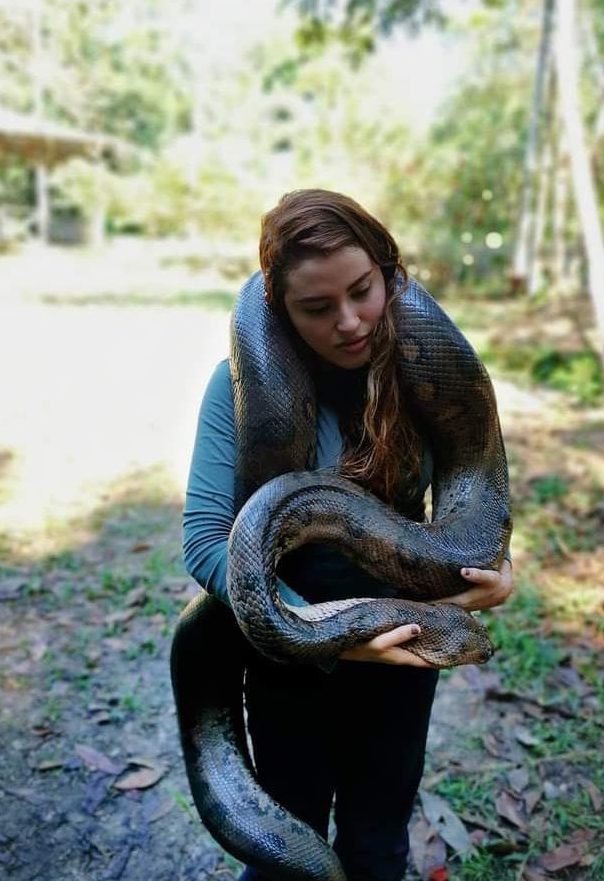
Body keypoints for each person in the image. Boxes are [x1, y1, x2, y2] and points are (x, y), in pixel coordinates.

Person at [183, 189, 513, 881]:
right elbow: (209, 542)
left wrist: (490, 574)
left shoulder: (423, 377)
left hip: (401, 661)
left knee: (377, 839)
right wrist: (324, 631)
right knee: (288, 841)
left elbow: (473, 486)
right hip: (287, 650)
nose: (351, 321)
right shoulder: (238, 387)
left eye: (362, 290)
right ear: (276, 309)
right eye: (316, 307)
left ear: (388, 271)